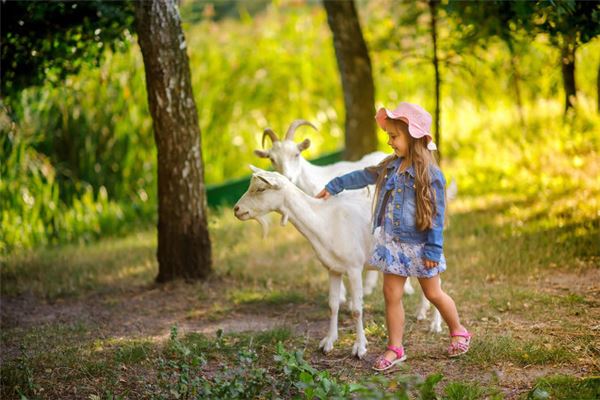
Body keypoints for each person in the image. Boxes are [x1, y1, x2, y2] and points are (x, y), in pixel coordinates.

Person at [315, 102, 471, 371]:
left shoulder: (430, 174)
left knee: (433, 293)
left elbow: (436, 214)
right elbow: (364, 175)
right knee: (391, 294)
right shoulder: (390, 167)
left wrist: (434, 249)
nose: (389, 142)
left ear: (414, 136)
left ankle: (458, 330)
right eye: (388, 136)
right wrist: (335, 185)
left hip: (421, 246)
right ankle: (395, 347)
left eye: (394, 136)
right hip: (393, 245)